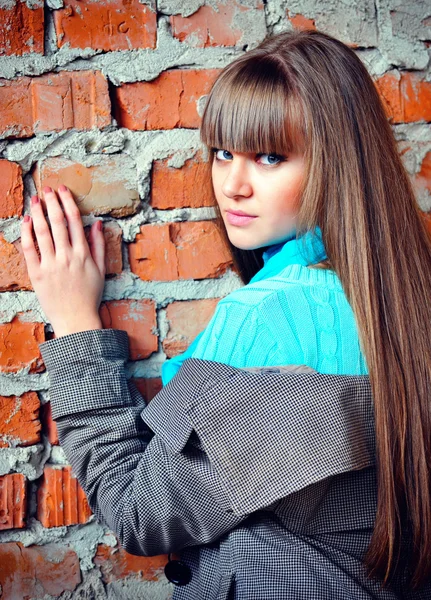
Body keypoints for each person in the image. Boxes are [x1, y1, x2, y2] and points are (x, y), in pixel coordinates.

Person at [21, 28, 431, 598]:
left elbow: (138, 511)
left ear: (338, 163)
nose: (232, 186)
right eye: (222, 153)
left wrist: (73, 323)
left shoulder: (265, 317)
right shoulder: (405, 298)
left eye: (270, 156)